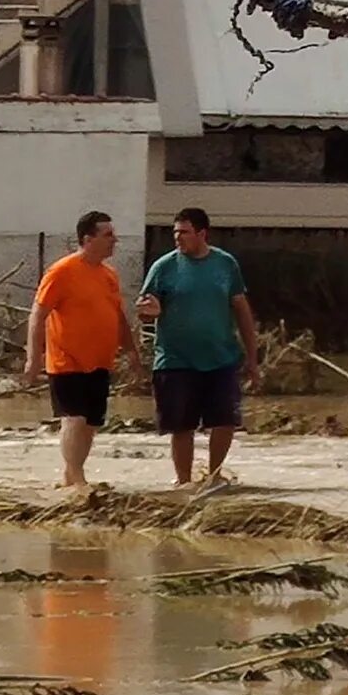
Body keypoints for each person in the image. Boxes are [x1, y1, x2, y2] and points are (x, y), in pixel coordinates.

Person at [137, 207, 260, 490]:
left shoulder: (225, 264)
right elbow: (145, 309)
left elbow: (241, 309)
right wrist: (148, 311)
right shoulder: (164, 267)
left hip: (221, 357)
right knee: (181, 425)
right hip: (175, 359)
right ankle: (184, 482)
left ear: (202, 233)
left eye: (184, 232)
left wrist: (252, 358)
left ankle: (214, 475)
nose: (178, 238)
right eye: (175, 233)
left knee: (225, 420)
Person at [21, 209, 128, 491]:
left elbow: (117, 316)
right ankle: (77, 478)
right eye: (108, 235)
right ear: (87, 239)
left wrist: (133, 353)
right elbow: (38, 314)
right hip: (66, 360)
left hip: (100, 361)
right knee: (74, 418)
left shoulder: (109, 275)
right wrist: (34, 357)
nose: (114, 240)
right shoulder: (62, 271)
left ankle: (71, 477)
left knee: (91, 423)